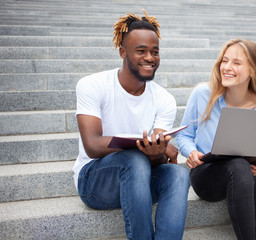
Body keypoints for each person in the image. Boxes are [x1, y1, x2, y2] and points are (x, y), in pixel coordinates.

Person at [73, 10, 190, 240]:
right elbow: (93, 146)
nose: (150, 57)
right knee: (135, 159)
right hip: (94, 183)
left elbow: (157, 156)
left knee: (178, 173)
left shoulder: (164, 99)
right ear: (123, 52)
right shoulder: (92, 85)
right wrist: (143, 148)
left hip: (140, 182)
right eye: (141, 51)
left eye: (155, 52)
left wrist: (157, 152)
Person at [176, 39, 256, 240]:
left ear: (253, 69)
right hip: (206, 174)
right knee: (238, 165)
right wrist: (191, 152)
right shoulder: (203, 94)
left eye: (236, 63)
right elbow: (184, 135)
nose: (227, 67)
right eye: (224, 61)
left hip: (242, 173)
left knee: (241, 167)